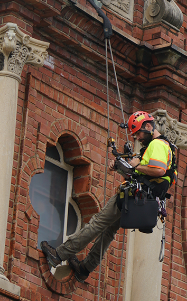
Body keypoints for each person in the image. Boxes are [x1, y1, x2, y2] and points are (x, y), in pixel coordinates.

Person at [41, 112, 174, 283]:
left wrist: (137, 165)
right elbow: (144, 174)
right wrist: (122, 166)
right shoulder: (156, 146)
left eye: (139, 133)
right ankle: (85, 268)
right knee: (108, 231)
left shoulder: (157, 144)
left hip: (134, 196)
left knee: (98, 223)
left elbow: (159, 170)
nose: (138, 138)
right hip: (140, 198)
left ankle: (59, 254)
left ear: (148, 126)